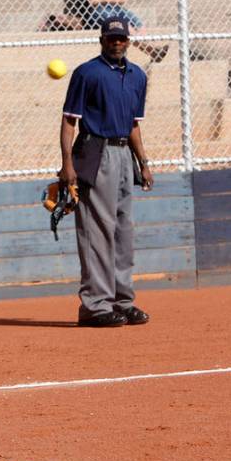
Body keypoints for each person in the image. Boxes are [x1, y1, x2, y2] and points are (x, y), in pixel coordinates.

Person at [59, 16, 154, 328]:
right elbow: (69, 121)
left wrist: (144, 162)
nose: (116, 43)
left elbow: (134, 124)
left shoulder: (138, 75)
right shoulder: (87, 73)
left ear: (128, 41)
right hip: (96, 152)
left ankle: (121, 301)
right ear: (101, 40)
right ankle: (95, 305)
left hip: (125, 153)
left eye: (121, 38)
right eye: (111, 38)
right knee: (97, 230)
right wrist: (67, 165)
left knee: (123, 231)